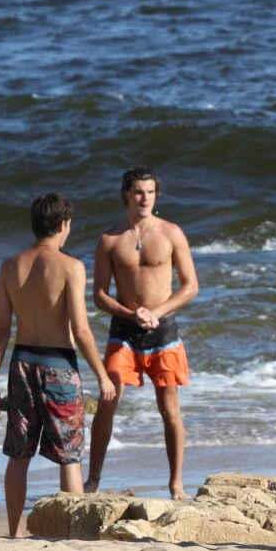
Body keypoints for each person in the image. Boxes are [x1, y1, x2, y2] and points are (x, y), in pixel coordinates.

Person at [0, 194, 116, 536]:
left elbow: (1, 328)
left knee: (19, 454)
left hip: (22, 364)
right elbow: (82, 331)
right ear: (63, 225)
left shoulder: (9, 266)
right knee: (69, 455)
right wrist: (102, 376)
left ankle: (13, 533)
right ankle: (72, 535)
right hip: (59, 366)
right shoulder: (71, 267)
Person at [87, 167, 199, 500]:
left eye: (150, 192)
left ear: (156, 195)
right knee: (109, 400)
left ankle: (176, 483)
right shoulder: (110, 238)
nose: (144, 198)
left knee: (169, 408)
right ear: (126, 194)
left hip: (162, 330)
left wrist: (156, 312)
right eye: (138, 191)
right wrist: (130, 313)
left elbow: (190, 286)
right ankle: (93, 479)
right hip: (124, 329)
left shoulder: (171, 233)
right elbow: (99, 294)